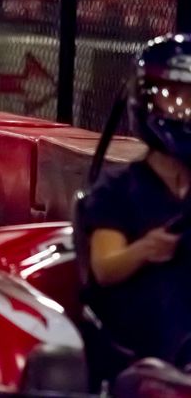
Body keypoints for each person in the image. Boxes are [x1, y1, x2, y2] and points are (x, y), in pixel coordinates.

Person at [77, 33, 191, 367]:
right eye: (174, 99)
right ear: (145, 101)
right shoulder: (118, 188)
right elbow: (104, 268)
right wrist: (145, 250)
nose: (185, 111)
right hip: (138, 332)